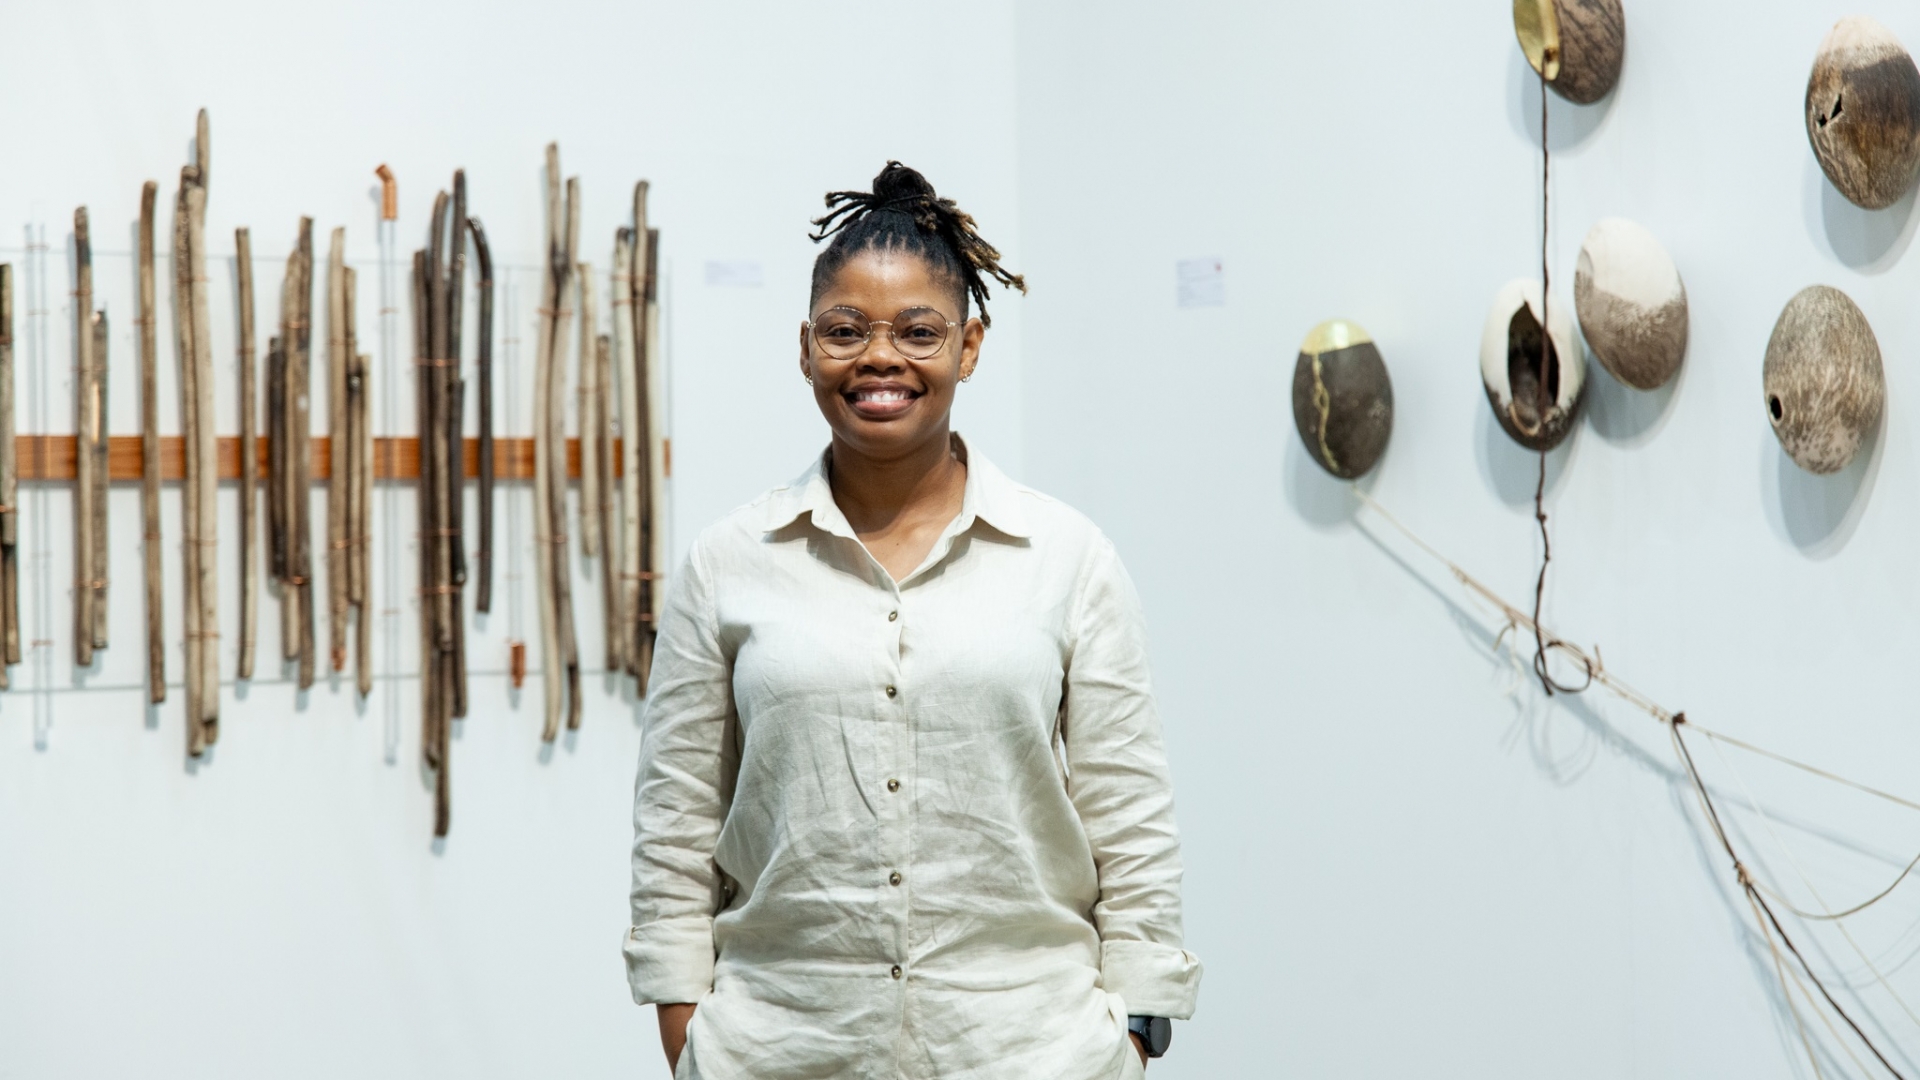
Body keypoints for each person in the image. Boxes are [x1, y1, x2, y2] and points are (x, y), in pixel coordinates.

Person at [623, 162, 1200, 1080]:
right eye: (845, 330)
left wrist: (1137, 1025)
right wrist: (684, 1024)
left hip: (1028, 1050)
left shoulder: (1066, 557)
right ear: (806, 348)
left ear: (969, 347)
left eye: (919, 332)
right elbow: (677, 820)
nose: (880, 358)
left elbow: (1128, 813)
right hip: (785, 1047)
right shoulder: (728, 562)